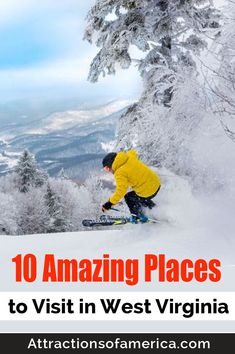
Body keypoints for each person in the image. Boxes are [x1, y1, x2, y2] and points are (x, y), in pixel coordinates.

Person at [102, 150, 161, 223]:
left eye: (107, 168)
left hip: (148, 189)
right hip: (156, 183)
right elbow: (133, 152)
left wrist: (109, 203)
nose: (109, 171)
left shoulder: (119, 173)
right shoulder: (129, 157)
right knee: (139, 196)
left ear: (111, 163)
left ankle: (137, 216)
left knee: (129, 197)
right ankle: (156, 210)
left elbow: (121, 191)